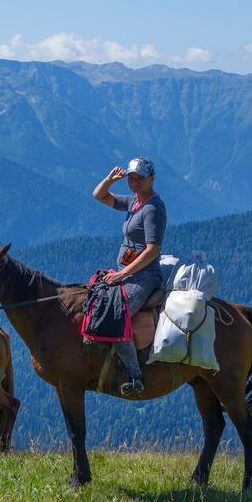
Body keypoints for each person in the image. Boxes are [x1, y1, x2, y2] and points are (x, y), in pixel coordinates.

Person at [92, 157, 167, 396]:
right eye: (131, 177)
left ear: (151, 179)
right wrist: (110, 179)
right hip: (129, 273)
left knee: (117, 315)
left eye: (139, 178)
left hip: (145, 276)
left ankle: (136, 377)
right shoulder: (134, 202)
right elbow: (99, 196)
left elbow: (152, 249)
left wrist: (123, 273)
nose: (134, 182)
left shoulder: (152, 208)